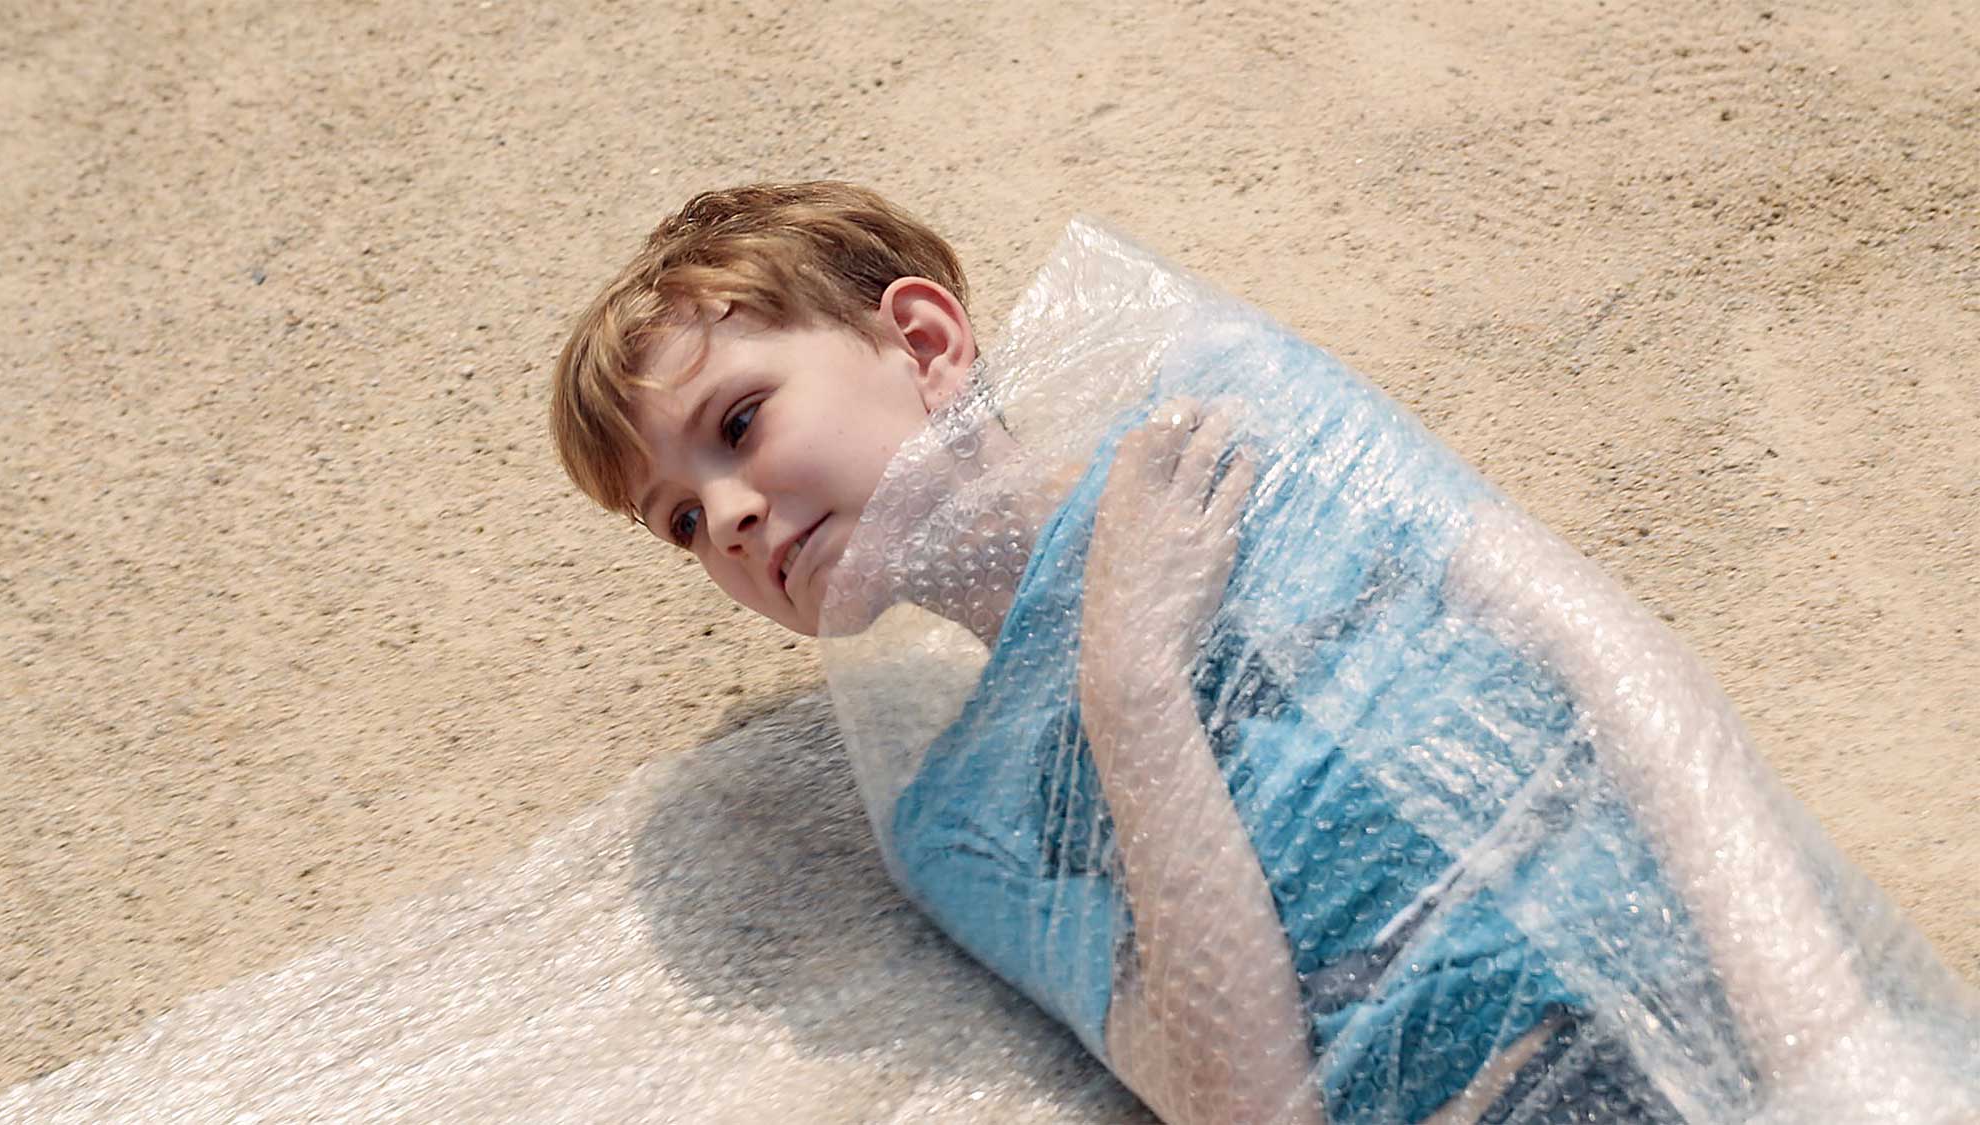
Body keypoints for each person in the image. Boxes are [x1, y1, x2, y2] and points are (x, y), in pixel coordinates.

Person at [549, 182, 1974, 1124]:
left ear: (921, 338)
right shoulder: (951, 818)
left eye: (737, 426)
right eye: (678, 522)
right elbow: (1244, 1103)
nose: (726, 518)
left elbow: (1600, 650)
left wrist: (1835, 1047)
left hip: (1736, 987)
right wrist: (1131, 692)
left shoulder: (1220, 413)